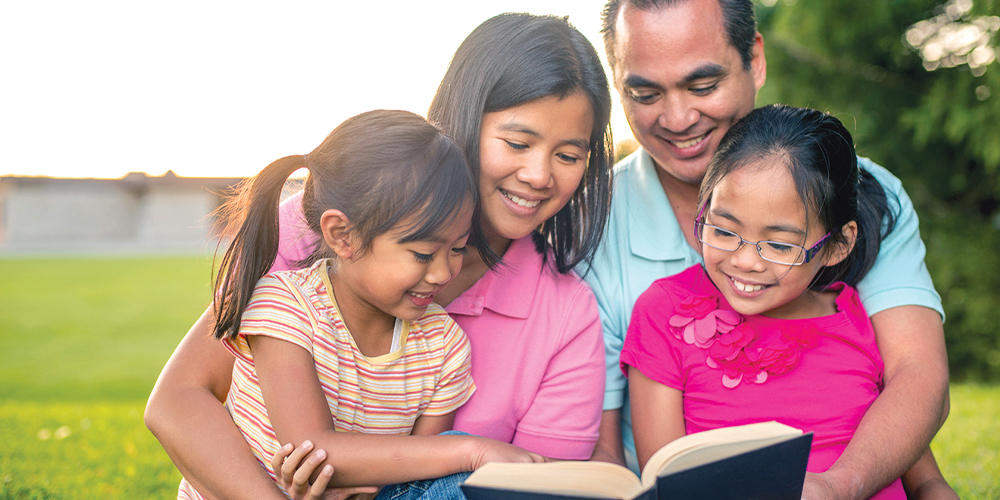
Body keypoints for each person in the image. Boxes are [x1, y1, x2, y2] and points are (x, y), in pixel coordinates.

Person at [145, 13, 615, 500]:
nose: (540, 175)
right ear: (466, 119)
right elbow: (179, 401)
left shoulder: (562, 315)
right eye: (518, 143)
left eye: (568, 155)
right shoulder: (318, 227)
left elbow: (513, 486)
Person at [583, 0, 954, 498]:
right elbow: (603, 449)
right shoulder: (585, 223)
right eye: (645, 92)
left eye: (703, 85)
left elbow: (913, 375)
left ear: (754, 60)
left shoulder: (864, 195)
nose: (677, 117)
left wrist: (842, 486)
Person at [176, 109, 555, 499]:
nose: (444, 273)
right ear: (343, 235)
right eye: (423, 254)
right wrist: (471, 450)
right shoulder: (287, 306)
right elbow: (313, 449)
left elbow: (418, 480)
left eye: (458, 248)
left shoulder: (444, 345)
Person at [623, 104, 905, 498]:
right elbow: (666, 481)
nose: (745, 261)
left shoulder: (858, 318)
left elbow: (908, 454)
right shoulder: (664, 312)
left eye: (778, 244)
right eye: (723, 230)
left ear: (838, 245)